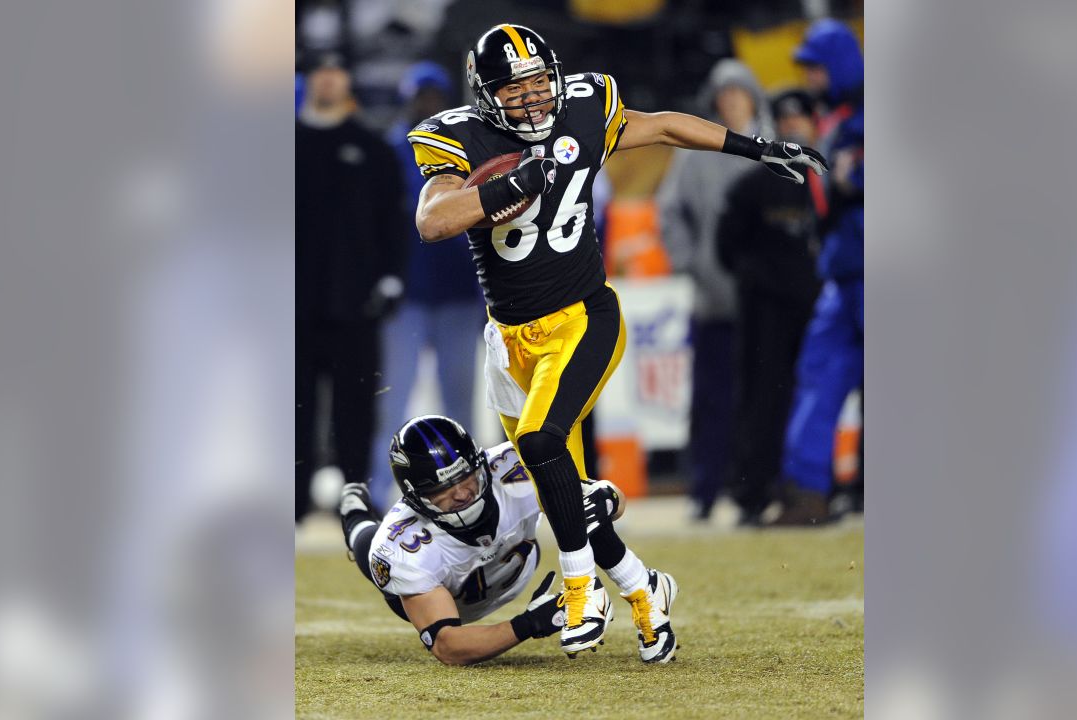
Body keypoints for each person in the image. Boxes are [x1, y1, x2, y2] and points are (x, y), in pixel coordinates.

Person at [405, 23, 827, 657]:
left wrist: (755, 146)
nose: (533, 96)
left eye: (539, 80)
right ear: (486, 94)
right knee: (555, 485)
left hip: (581, 316)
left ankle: (582, 590)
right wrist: (507, 185)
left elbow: (660, 126)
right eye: (515, 88)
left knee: (544, 444)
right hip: (510, 339)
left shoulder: (584, 104)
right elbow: (433, 220)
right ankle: (641, 586)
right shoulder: (458, 136)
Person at [338, 415, 668, 665]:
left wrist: (607, 497)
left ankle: (645, 585)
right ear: (415, 497)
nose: (462, 493)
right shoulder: (401, 546)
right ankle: (354, 514)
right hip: (452, 600)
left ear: (480, 463)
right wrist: (530, 624)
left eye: (465, 476)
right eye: (442, 490)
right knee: (370, 553)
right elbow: (448, 646)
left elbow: (611, 499)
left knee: (583, 509)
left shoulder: (515, 466)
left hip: (517, 563)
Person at [366, 61, 487, 513]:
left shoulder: (465, 147)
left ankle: (468, 490)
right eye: (422, 96)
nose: (428, 104)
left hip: (457, 292)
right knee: (392, 398)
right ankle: (381, 492)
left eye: (434, 96)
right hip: (409, 296)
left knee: (461, 401)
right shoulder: (393, 151)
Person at [657, 58, 773, 522]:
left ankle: (760, 489)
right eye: (722, 95)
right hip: (714, 297)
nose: (729, 102)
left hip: (768, 297)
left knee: (767, 394)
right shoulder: (695, 150)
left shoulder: (775, 144)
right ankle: (704, 490)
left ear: (751, 97)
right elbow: (669, 212)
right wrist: (690, 263)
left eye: (737, 93)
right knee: (710, 398)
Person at [295, 52, 405, 520]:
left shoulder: (372, 148)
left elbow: (394, 221)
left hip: (355, 305)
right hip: (292, 305)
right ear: (309, 81)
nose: (327, 81)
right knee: (291, 409)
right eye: (320, 73)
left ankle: (356, 502)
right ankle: (292, 502)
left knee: (356, 410)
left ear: (347, 83)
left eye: (336, 73)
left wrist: (392, 278)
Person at [716, 89, 824, 526]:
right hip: (766, 314)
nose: (794, 124)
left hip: (819, 310)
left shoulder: (834, 180)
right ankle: (754, 491)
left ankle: (815, 490)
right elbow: (727, 248)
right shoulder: (752, 186)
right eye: (786, 119)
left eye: (802, 117)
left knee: (816, 400)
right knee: (763, 400)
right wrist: (756, 281)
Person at [776, 20, 864, 525]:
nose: (809, 76)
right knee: (816, 377)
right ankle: (807, 496)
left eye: (815, 66)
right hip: (844, 272)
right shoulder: (834, 118)